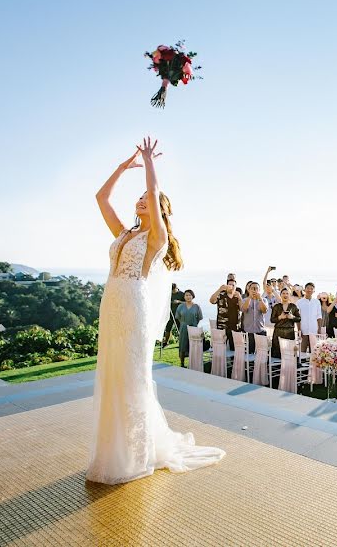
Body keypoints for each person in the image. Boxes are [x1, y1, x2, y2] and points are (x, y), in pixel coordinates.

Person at [87, 136, 224, 484]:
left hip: (133, 305)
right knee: (112, 376)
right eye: (140, 197)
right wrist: (123, 166)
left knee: (132, 379)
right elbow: (101, 198)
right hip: (111, 304)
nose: (142, 198)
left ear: (159, 208)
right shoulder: (124, 233)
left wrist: (150, 163)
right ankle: (111, 448)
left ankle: (135, 453)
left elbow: (155, 186)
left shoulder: (155, 239)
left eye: (148, 197)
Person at [209, 277, 242, 347]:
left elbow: (242, 309)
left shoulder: (237, 296)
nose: (231, 286)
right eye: (230, 285)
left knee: (234, 347)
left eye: (233, 285)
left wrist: (240, 298)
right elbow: (212, 301)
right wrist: (219, 289)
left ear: (236, 286)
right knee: (221, 346)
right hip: (222, 325)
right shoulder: (221, 295)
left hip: (235, 326)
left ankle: (233, 358)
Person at [174, 290, 203, 367]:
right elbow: (178, 317)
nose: (188, 297)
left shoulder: (197, 306)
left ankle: (193, 363)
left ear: (192, 296)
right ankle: (182, 363)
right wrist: (183, 323)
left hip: (193, 328)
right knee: (182, 346)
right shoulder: (181, 306)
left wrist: (194, 323)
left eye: (190, 295)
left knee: (193, 346)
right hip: (183, 328)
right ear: (184, 297)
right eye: (186, 295)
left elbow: (200, 317)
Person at [270, 288, 300, 359]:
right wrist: (280, 317)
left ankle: (288, 369)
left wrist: (292, 317)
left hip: (290, 332)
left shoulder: (293, 306)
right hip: (278, 332)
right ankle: (277, 369)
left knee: (289, 354)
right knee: (277, 354)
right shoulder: (276, 306)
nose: (285, 295)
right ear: (280, 295)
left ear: (290, 295)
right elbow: (272, 320)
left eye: (287, 293)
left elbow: (299, 318)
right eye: (283, 293)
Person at [240, 281, 268, 352]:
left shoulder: (264, 300)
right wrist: (249, 297)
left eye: (256, 288)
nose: (254, 290)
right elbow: (243, 309)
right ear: (249, 290)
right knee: (250, 353)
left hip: (260, 331)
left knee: (261, 352)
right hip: (249, 332)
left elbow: (264, 311)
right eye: (252, 288)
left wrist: (260, 299)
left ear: (259, 290)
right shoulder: (244, 300)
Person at [296, 283, 323, 350]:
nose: (309, 290)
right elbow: (297, 317)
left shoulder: (317, 302)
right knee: (302, 351)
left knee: (314, 352)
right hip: (303, 330)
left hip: (314, 330)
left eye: (311, 289)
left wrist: (319, 329)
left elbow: (319, 316)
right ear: (304, 290)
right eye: (308, 288)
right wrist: (299, 330)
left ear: (314, 291)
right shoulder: (299, 302)